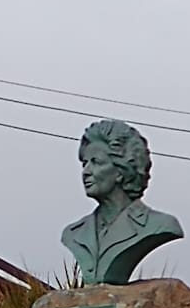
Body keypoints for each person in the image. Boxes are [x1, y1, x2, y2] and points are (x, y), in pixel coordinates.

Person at [61, 119, 183, 284]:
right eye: (84, 163)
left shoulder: (160, 225)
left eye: (96, 162)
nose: (86, 172)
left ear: (121, 170)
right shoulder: (74, 233)